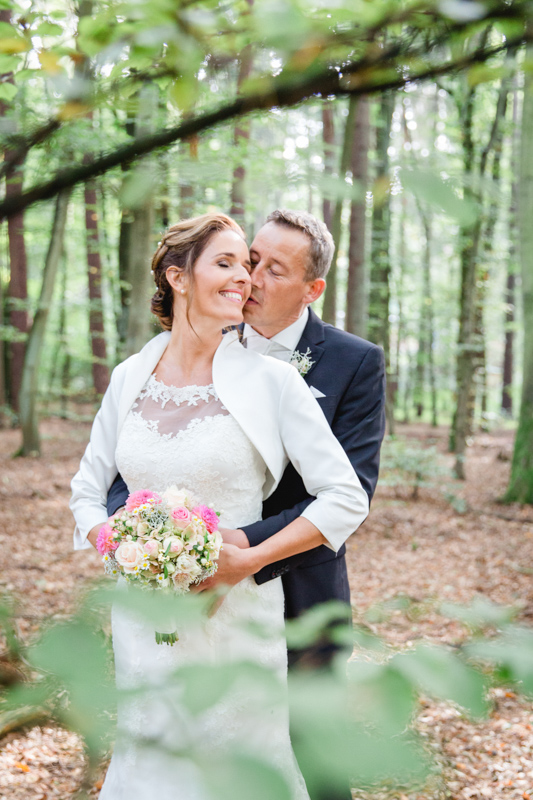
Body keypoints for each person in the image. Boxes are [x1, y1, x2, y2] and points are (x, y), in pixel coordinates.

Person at [70, 212, 369, 800]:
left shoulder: (272, 383)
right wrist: (125, 550)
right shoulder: (130, 376)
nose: (246, 278)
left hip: (239, 615)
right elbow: (87, 490)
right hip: (145, 616)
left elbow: (345, 497)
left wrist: (248, 558)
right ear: (179, 278)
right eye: (227, 263)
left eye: (251, 266)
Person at [108, 209, 386, 668]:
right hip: (183, 580)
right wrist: (142, 530)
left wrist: (241, 547)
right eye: (249, 260)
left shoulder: (353, 362)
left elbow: (351, 488)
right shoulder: (198, 337)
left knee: (301, 733)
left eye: (273, 271)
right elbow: (137, 450)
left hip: (303, 588)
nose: (250, 278)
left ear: (311, 290)